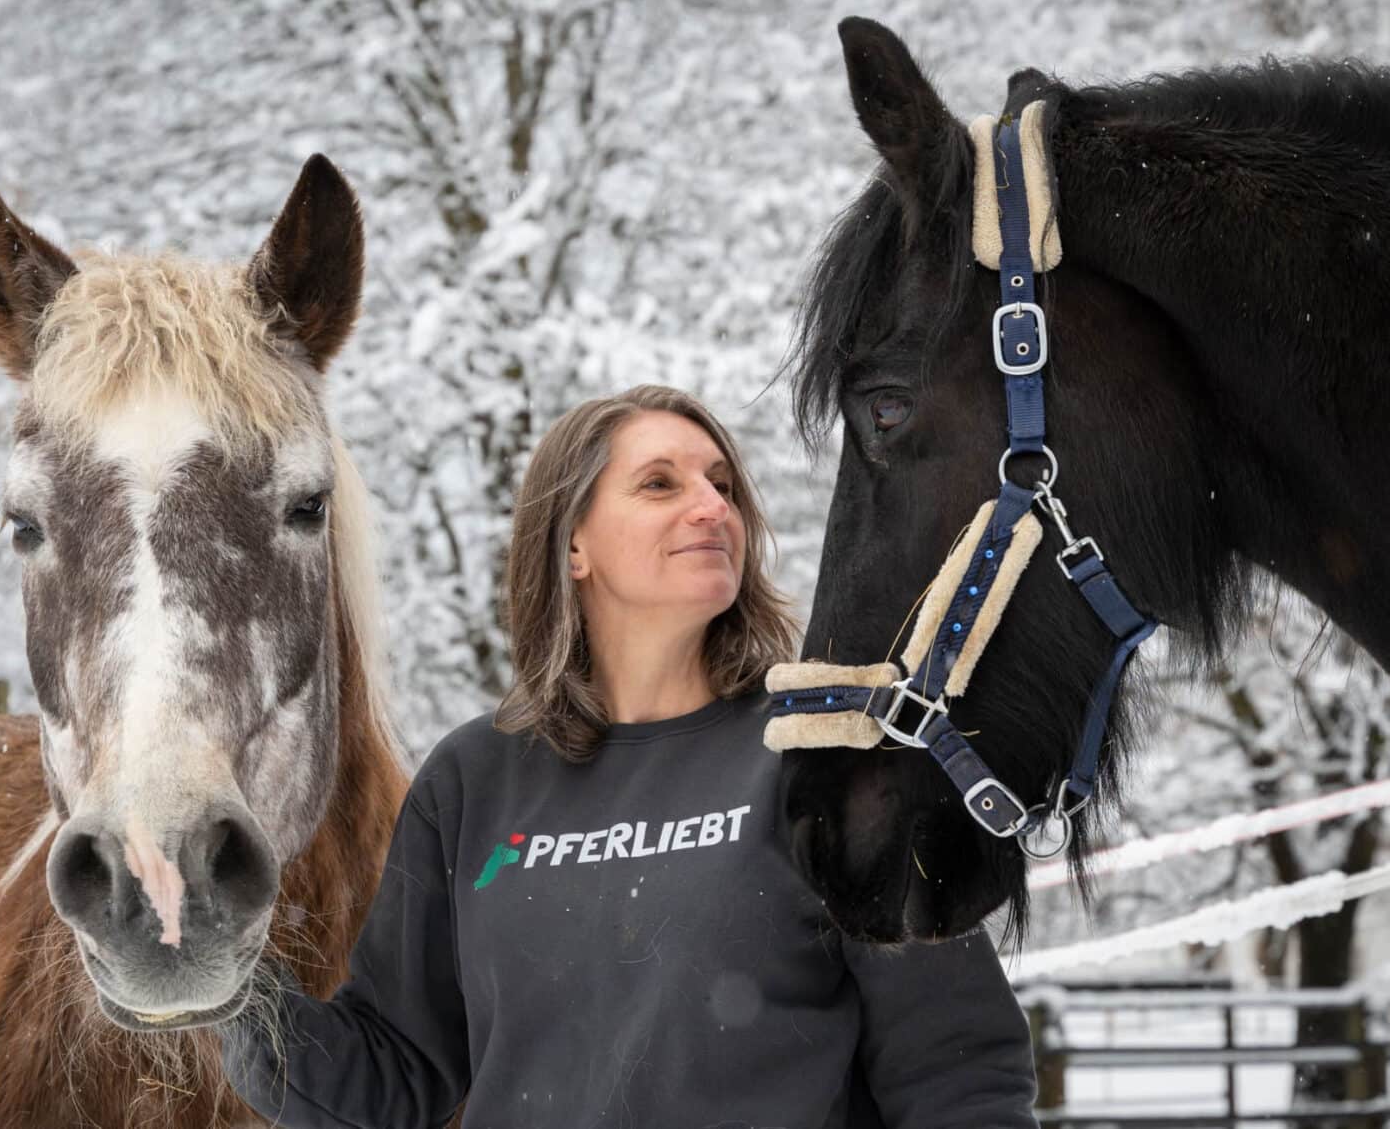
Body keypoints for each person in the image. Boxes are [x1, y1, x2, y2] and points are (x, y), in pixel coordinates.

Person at [222, 385, 1038, 1127]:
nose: (711, 507)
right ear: (573, 543)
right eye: (661, 484)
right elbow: (391, 1074)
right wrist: (219, 976)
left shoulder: (832, 759)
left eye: (722, 485)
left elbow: (958, 1070)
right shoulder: (473, 781)